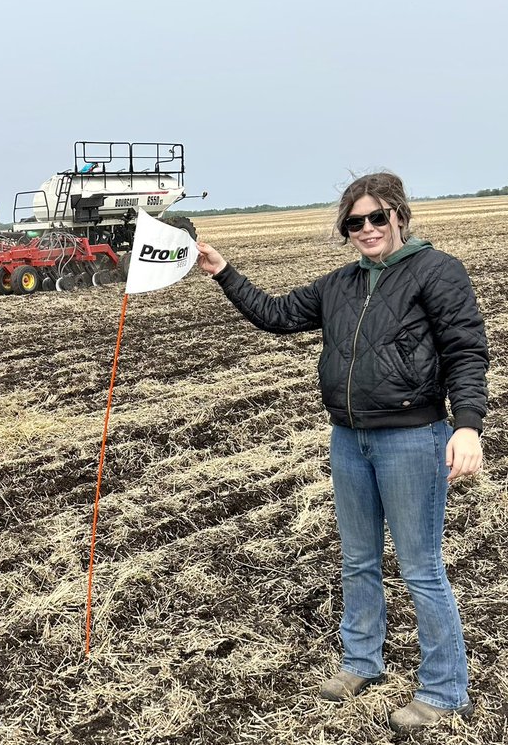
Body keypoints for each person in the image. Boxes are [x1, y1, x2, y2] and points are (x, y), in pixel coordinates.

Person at [195, 172, 487, 734]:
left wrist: (467, 426)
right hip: (349, 437)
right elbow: (275, 315)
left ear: (399, 216)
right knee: (357, 559)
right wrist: (224, 272)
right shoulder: (339, 285)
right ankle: (361, 662)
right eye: (355, 222)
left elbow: (466, 351)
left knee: (421, 568)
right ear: (345, 230)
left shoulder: (437, 272)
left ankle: (444, 688)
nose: (368, 229)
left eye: (378, 217)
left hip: (412, 436)